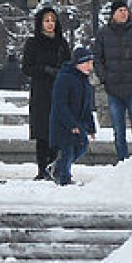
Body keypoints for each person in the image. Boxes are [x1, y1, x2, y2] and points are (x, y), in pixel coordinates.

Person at [94, 0, 132, 161]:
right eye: (120, 10)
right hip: (113, 89)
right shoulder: (103, 34)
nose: (124, 13)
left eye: (125, 10)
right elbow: (97, 59)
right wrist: (104, 77)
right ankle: (122, 161)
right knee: (118, 129)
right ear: (113, 14)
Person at [22, 4, 72, 180]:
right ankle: (43, 169)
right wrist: (45, 70)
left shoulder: (62, 43)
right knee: (42, 132)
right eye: (46, 21)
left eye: (53, 20)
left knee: (58, 130)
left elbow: (69, 65)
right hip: (42, 92)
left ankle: (57, 166)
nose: (50, 24)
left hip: (59, 91)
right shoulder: (33, 43)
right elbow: (26, 68)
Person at [48, 45, 97, 185]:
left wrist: (91, 127)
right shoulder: (65, 78)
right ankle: (63, 177)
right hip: (63, 123)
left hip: (78, 122)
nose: (89, 66)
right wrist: (71, 124)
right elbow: (60, 104)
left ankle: (58, 167)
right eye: (86, 63)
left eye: (91, 63)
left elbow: (87, 106)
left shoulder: (84, 81)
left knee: (82, 146)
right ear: (77, 64)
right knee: (67, 149)